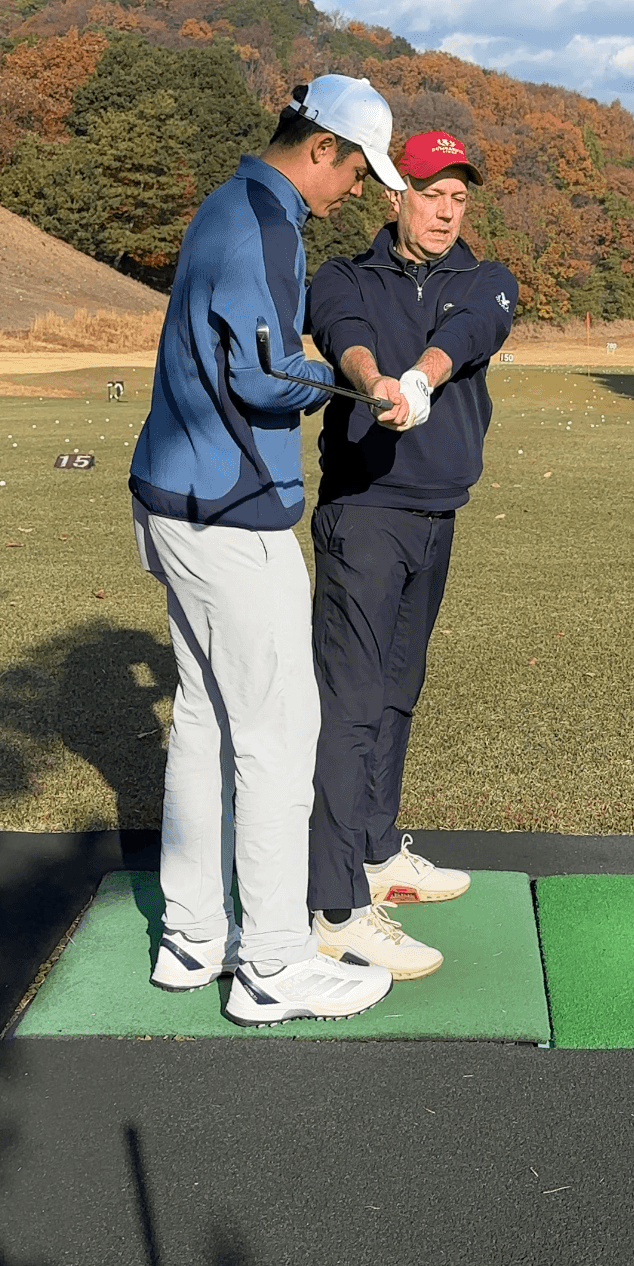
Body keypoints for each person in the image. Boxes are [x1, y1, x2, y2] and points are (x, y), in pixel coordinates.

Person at [128, 76, 407, 1027]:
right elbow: (261, 371)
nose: (361, 191)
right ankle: (275, 965)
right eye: (359, 170)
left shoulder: (231, 202)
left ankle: (192, 940)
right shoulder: (265, 218)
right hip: (230, 515)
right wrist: (354, 383)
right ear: (321, 145)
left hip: (182, 500)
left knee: (205, 725)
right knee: (281, 739)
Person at [303, 129, 518, 977]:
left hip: (438, 513)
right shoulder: (343, 276)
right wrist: (372, 380)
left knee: (399, 689)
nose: (445, 209)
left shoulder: (486, 280)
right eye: (431, 192)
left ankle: (378, 852)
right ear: (396, 194)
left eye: (458, 196)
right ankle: (332, 905)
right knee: (351, 702)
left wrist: (421, 378)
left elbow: (468, 334)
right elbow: (342, 332)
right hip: (365, 514)